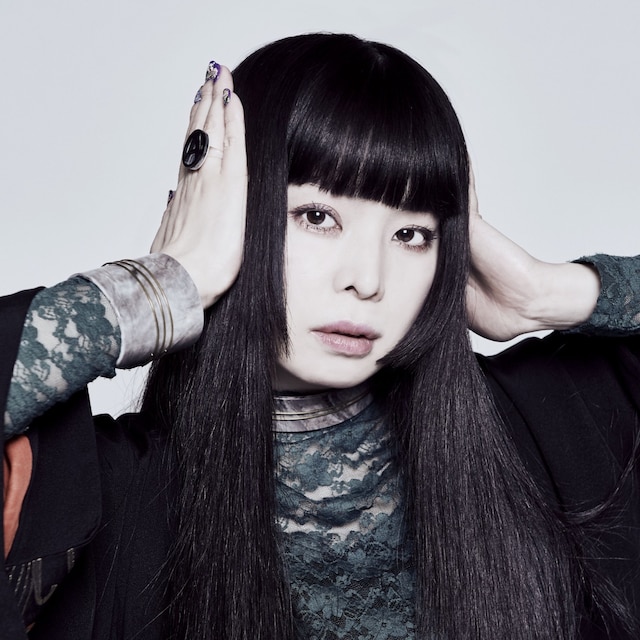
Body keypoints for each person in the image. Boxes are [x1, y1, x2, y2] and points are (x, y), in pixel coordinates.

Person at [1, 33, 639, 640]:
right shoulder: (113, 498)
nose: (368, 280)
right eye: (317, 216)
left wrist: (545, 294)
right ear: (232, 215)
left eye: (411, 234)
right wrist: (162, 288)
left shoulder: (547, 426)